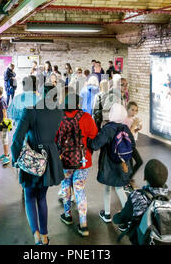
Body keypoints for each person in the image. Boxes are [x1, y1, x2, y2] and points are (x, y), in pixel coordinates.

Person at [11, 84, 64, 245]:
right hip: (49, 158)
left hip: (32, 159)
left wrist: (15, 159)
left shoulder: (31, 111)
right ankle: (45, 235)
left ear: (41, 94)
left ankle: (36, 234)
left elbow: (17, 139)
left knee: (29, 196)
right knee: (42, 197)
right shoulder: (59, 112)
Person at [56, 90, 98, 237]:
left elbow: (55, 139)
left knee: (66, 186)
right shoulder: (86, 117)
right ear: (78, 104)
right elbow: (94, 136)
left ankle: (67, 216)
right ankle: (84, 224)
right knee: (79, 189)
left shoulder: (59, 117)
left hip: (64, 160)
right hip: (83, 161)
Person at [88, 103, 136, 223]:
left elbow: (95, 145)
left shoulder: (108, 129)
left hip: (109, 165)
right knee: (119, 189)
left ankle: (107, 214)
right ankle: (127, 215)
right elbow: (133, 145)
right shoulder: (124, 128)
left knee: (108, 188)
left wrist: (88, 139)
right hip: (122, 164)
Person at [113, 159, 171, 244]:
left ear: (145, 178)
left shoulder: (138, 196)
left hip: (146, 240)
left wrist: (116, 217)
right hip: (170, 240)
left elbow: (123, 217)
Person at [123, 101, 143, 192]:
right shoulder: (126, 120)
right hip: (128, 145)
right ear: (127, 109)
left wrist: (138, 128)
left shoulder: (132, 119)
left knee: (130, 164)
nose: (134, 112)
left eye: (136, 110)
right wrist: (134, 125)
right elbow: (128, 134)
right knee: (138, 161)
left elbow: (133, 132)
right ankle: (127, 182)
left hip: (132, 143)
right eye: (132, 110)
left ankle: (127, 181)